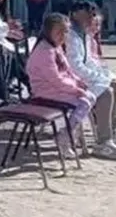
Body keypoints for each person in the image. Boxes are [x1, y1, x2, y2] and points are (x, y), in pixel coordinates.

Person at [66, 2, 116, 161]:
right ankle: (103, 142)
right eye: (87, 12)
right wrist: (106, 81)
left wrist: (109, 77)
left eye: (92, 12)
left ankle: (111, 131)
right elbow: (75, 67)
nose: (91, 16)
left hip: (83, 78)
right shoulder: (70, 35)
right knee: (107, 92)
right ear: (75, 14)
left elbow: (89, 62)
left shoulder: (83, 35)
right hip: (72, 80)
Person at [25, 13, 95, 159]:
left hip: (59, 88)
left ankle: (69, 132)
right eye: (59, 32)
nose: (62, 35)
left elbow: (67, 70)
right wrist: (76, 90)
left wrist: (77, 81)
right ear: (48, 31)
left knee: (90, 97)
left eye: (65, 31)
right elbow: (54, 79)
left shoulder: (56, 47)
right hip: (45, 91)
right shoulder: (44, 51)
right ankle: (65, 137)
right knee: (83, 102)